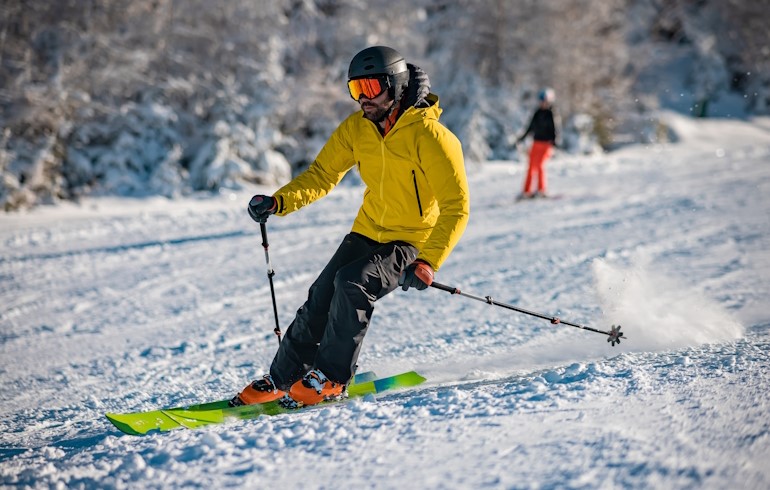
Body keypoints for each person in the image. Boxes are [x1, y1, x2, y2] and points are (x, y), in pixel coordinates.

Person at [230, 46, 470, 408]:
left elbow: (457, 207)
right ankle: (284, 378)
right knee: (321, 294)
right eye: (356, 90)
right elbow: (322, 175)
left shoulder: (432, 137)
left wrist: (428, 261)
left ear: (397, 86)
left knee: (353, 283)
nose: (363, 99)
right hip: (368, 229)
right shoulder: (357, 129)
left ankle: (331, 378)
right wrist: (280, 201)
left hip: (410, 240)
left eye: (371, 88)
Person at [516, 87, 557, 199]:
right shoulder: (537, 113)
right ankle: (526, 191)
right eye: (541, 101)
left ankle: (541, 190)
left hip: (546, 145)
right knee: (530, 167)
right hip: (536, 143)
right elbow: (530, 128)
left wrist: (554, 142)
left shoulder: (550, 114)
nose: (543, 103)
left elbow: (554, 129)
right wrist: (522, 138)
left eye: (544, 101)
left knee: (540, 166)